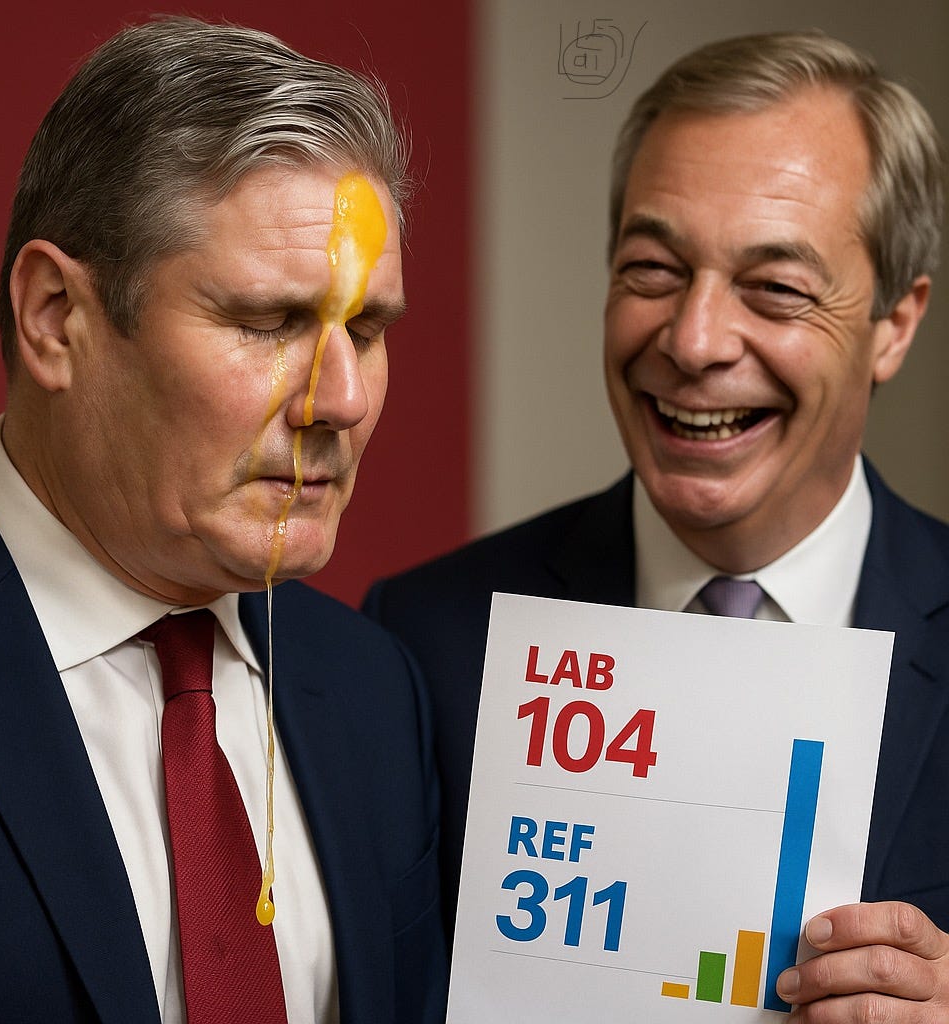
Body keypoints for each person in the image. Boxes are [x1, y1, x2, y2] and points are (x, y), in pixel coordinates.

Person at [364, 30, 949, 1020]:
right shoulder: (427, 644)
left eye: (776, 288)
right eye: (653, 269)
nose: (693, 340)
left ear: (893, 325)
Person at [0, 16, 447, 1024]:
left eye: (366, 329)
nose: (341, 399)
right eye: (270, 321)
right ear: (54, 316)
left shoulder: (376, 691)